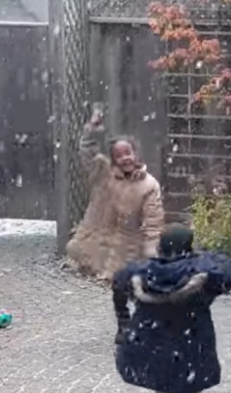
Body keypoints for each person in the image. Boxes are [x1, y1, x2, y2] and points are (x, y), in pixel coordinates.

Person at [112, 227, 231, 393]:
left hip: (157, 341)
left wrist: (123, 319)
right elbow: (227, 276)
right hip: (193, 338)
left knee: (162, 384)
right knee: (193, 387)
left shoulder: (145, 273)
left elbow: (119, 284)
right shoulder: (203, 272)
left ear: (162, 245)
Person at [65, 109, 165, 341]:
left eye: (128, 153)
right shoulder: (104, 174)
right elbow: (87, 153)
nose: (125, 158)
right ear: (113, 159)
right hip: (106, 238)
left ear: (135, 153)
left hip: (133, 243)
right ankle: (124, 323)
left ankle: (143, 320)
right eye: (119, 155)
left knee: (138, 285)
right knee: (118, 285)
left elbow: (153, 219)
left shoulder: (149, 185)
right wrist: (91, 129)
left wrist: (152, 247)